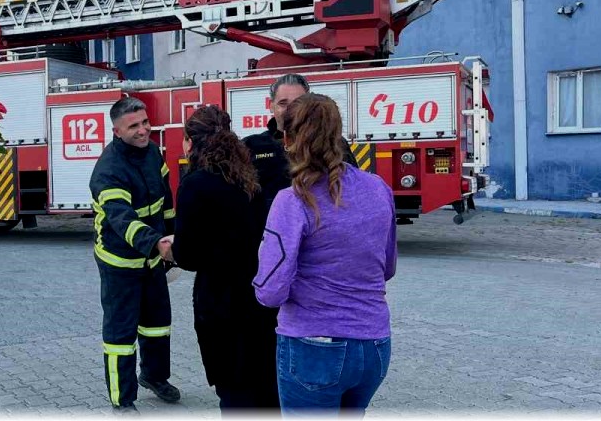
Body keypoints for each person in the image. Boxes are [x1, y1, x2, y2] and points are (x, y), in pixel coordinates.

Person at [253, 93, 397, 415]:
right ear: (338, 134)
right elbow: (387, 267)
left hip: (313, 346)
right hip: (374, 344)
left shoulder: (292, 200)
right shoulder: (378, 188)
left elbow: (270, 292)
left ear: (287, 139)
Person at [164, 105, 279, 411]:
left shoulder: (194, 184)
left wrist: (170, 248)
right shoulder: (249, 178)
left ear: (190, 142)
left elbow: (188, 256)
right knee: (266, 388)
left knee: (234, 393)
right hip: (259, 300)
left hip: (220, 305)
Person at [89, 95, 181, 412]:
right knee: (121, 332)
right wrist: (157, 243)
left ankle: (154, 377)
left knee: (157, 323)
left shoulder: (153, 152)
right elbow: (122, 220)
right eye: (133, 127)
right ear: (116, 131)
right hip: (119, 263)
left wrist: (174, 238)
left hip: (151, 257)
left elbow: (165, 201)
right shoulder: (108, 171)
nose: (143, 130)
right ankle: (122, 398)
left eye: (145, 122)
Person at [244, 73, 356, 204]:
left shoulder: (334, 143)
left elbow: (353, 188)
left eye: (298, 103)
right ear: (271, 105)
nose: (290, 109)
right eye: (283, 103)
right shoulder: (250, 146)